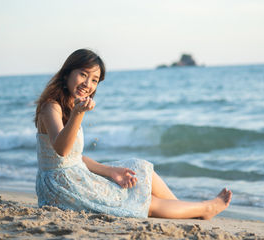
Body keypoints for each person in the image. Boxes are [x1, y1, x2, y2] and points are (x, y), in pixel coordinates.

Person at [34, 49, 232, 219]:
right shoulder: (51, 107)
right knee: (141, 201)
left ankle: (183, 209)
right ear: (67, 73)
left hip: (74, 176)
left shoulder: (71, 106)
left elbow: (75, 158)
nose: (88, 84)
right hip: (60, 187)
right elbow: (61, 150)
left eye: (94, 80)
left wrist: (111, 171)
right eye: (83, 74)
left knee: (141, 168)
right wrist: (78, 114)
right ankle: (206, 208)